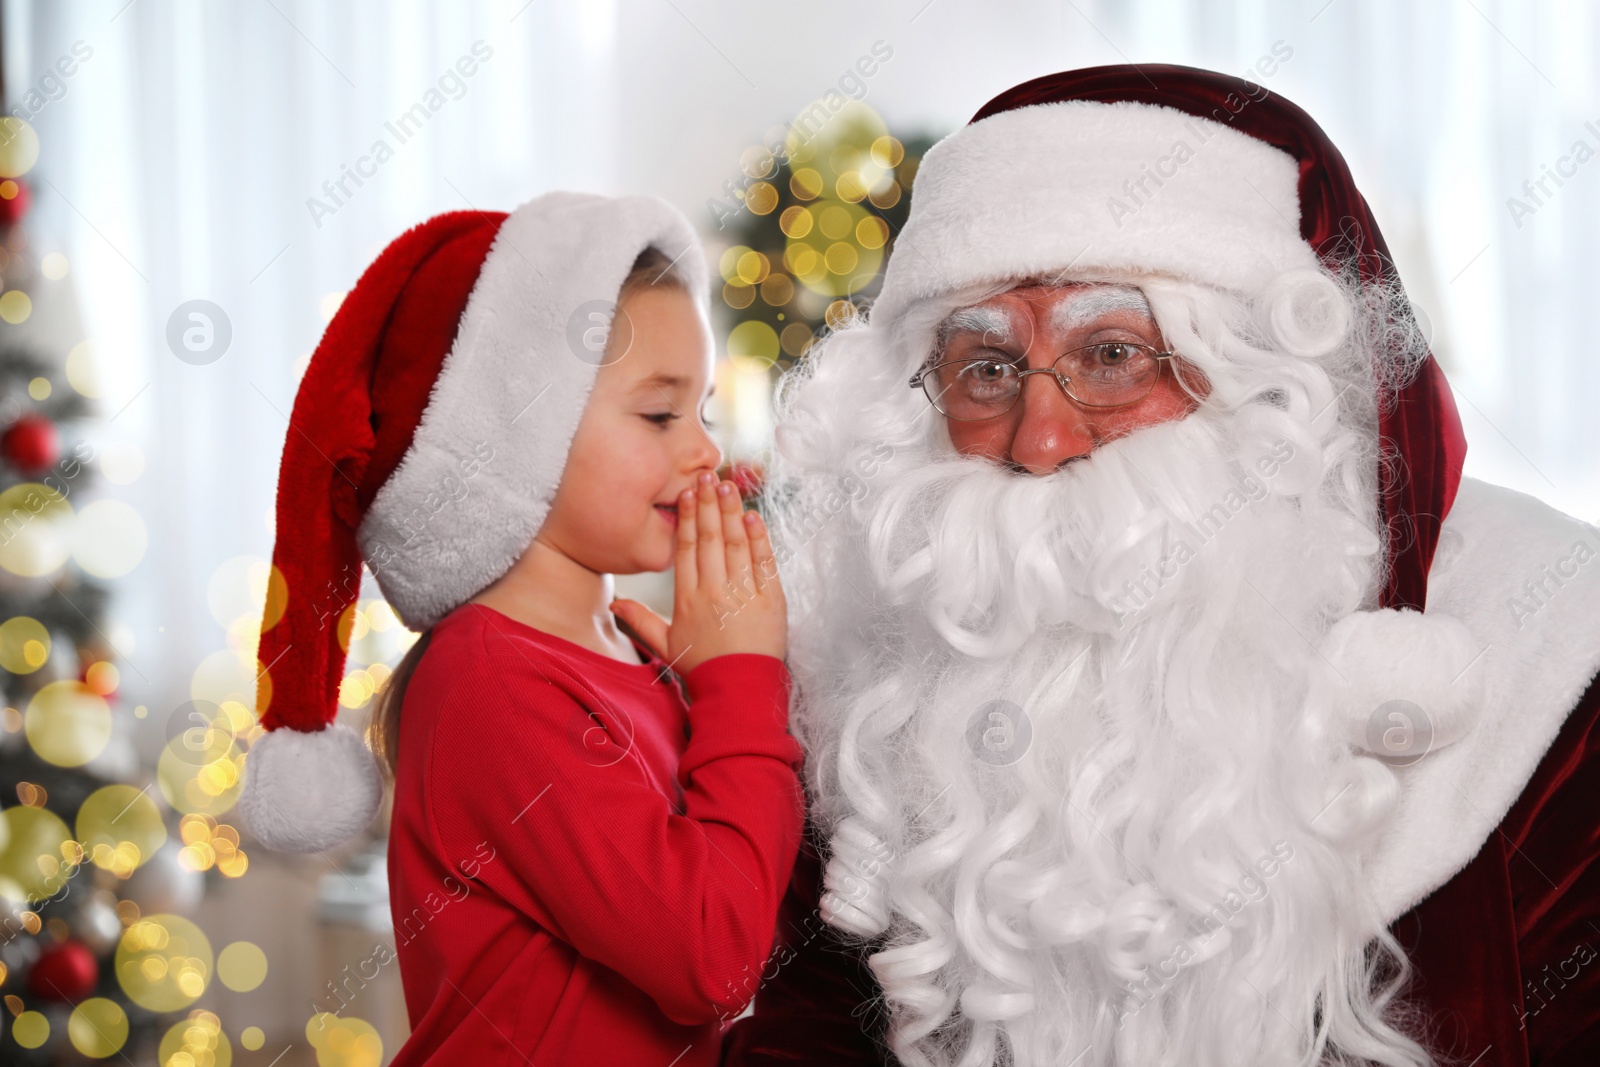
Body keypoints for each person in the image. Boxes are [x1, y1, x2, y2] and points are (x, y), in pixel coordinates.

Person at [723, 66, 1600, 1067]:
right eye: (987, 368)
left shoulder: (1554, 646)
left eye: (1111, 355)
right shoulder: (874, 701)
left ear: (1265, 383)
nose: (1041, 438)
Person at [238, 192, 804, 1064]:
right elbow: (713, 956)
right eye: (660, 414)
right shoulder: (492, 680)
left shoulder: (633, 649)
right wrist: (740, 685)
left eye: (705, 414)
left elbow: (744, 876)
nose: (704, 452)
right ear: (515, 441)